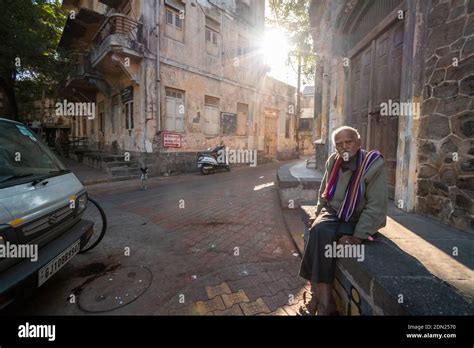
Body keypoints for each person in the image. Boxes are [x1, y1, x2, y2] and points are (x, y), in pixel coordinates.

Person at [299, 126, 388, 315]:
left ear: (359, 142)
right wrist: (318, 212)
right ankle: (323, 300)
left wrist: (358, 236)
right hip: (334, 212)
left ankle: (321, 301)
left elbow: (376, 207)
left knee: (321, 233)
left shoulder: (373, 165)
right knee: (317, 229)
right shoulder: (333, 161)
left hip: (358, 217)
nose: (344, 147)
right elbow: (324, 191)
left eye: (349, 142)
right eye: (339, 144)